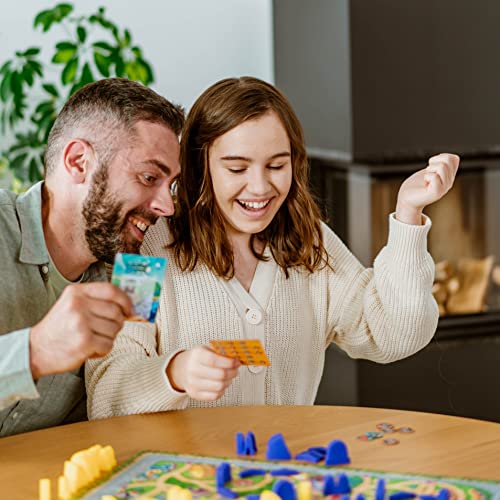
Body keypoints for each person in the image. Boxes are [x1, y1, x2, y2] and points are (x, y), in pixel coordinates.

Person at [86, 76, 459, 418]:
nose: (260, 187)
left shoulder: (311, 243)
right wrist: (174, 373)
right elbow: (107, 393)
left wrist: (408, 214)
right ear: (201, 167)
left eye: (276, 166)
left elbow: (395, 334)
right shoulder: (143, 258)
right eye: (236, 169)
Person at [0, 77, 184, 436]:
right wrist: (34, 352)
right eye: (149, 177)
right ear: (79, 162)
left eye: (171, 186)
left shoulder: (135, 273)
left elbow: (123, 396)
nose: (167, 206)